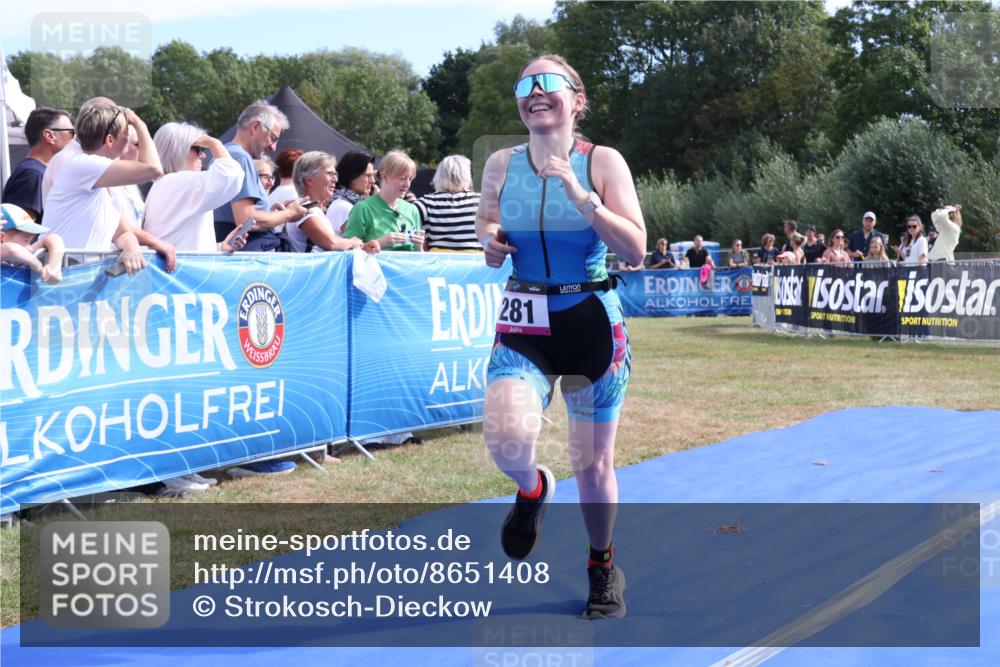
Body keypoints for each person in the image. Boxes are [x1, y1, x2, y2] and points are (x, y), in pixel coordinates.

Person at [477, 54, 646, 620]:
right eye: (526, 84)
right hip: (525, 316)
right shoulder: (501, 163)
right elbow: (487, 224)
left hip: (590, 320)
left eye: (550, 83)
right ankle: (531, 489)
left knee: (593, 464)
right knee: (504, 438)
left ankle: (603, 565)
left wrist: (582, 196)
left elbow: (636, 250)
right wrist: (492, 240)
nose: (536, 91)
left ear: (577, 99)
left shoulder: (602, 161)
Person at [42, 104, 161, 275]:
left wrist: (132, 248)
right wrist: (141, 125)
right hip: (60, 275)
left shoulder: (100, 176)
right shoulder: (82, 164)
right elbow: (153, 168)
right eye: (126, 136)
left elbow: (122, 232)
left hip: (75, 275)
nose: (128, 142)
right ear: (110, 140)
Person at [213, 102, 307, 252]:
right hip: (246, 251)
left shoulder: (222, 154)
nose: (274, 147)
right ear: (255, 127)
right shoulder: (241, 158)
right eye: (273, 138)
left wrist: (272, 214)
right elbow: (246, 220)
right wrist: (290, 213)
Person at [142, 122, 247, 252]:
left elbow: (178, 239)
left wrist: (220, 247)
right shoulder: (179, 182)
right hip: (179, 270)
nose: (203, 155)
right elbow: (230, 175)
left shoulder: (165, 183)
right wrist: (214, 143)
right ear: (179, 150)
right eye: (198, 149)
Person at [286, 151, 380, 253]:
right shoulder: (304, 208)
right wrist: (353, 242)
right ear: (309, 179)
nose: (335, 179)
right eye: (330, 174)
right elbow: (330, 242)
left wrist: (360, 245)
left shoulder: (314, 209)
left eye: (335, 174)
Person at [2, 107, 74, 221]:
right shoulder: (33, 174)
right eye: (71, 132)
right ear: (49, 136)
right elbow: (21, 232)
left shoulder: (37, 171)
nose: (74, 138)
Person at [343, 150, 424, 251]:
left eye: (410, 179)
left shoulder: (412, 210)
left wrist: (419, 247)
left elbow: (418, 256)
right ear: (384, 176)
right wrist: (380, 243)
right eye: (402, 178)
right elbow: (348, 251)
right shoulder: (362, 209)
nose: (407, 184)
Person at [415, 155, 481, 252]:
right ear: (467, 176)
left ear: (438, 176)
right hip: (477, 264)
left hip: (438, 264)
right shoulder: (482, 202)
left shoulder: (425, 203)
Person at [0, 203, 64, 284]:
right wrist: (39, 268)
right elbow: (10, 249)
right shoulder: (8, 251)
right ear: (1, 237)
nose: (32, 235)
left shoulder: (26, 251)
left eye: (32, 230)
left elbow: (54, 238)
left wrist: (54, 267)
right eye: (25, 232)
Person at [327, 151, 377, 238]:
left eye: (373, 176)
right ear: (352, 176)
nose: (373, 181)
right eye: (368, 176)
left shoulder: (352, 204)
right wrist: (377, 202)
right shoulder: (342, 206)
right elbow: (368, 238)